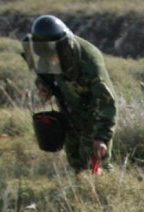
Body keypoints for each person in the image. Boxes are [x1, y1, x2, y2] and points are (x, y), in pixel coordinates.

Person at [22, 15, 117, 173]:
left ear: (63, 48)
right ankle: (80, 191)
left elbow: (107, 102)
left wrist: (102, 137)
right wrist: (43, 85)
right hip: (69, 110)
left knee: (96, 166)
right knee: (75, 161)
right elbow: (43, 72)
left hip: (93, 117)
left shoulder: (90, 62)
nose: (49, 59)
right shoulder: (47, 50)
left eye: (52, 55)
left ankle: (105, 193)